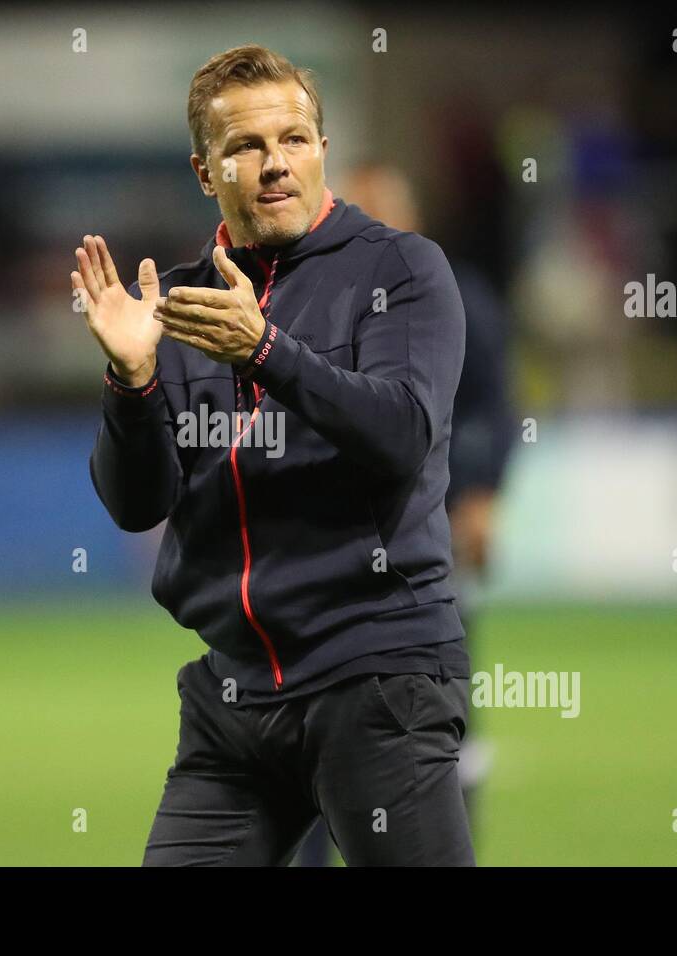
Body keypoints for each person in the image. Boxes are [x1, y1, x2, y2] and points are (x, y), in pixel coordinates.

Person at [76, 45, 472, 865]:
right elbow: (136, 503)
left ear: (323, 149)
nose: (274, 163)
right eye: (246, 147)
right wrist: (132, 380)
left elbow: (401, 433)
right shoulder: (181, 307)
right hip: (232, 698)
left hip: (375, 678)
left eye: (294, 138)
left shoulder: (399, 270)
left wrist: (266, 351)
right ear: (204, 170)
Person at [290, 164, 515, 865]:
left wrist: (479, 495)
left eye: (390, 209)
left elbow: (489, 407)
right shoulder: (303, 297)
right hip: (318, 549)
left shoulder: (459, 297)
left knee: (432, 713)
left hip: (424, 538)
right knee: (302, 717)